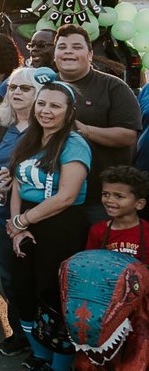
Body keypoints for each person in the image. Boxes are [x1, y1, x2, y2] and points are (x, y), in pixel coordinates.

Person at [4, 80, 91, 371]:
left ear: (69, 112)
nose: (46, 110)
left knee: (53, 299)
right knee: (25, 292)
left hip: (60, 226)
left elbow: (67, 196)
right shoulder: (31, 139)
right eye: (42, 103)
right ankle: (41, 359)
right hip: (26, 221)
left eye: (55, 105)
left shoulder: (75, 144)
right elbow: (17, 182)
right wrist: (16, 227)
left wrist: (22, 221)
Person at [0, 65, 54, 358]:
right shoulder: (2, 128)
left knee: (39, 282)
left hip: (39, 218)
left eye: (25, 88)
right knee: (10, 278)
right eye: (13, 87)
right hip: (2, 217)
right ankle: (20, 333)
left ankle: (47, 341)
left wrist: (20, 180)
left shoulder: (49, 131)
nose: (16, 92)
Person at [53, 24, 140, 223]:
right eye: (62, 47)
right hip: (52, 196)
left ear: (90, 54)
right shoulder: (45, 86)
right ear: (55, 54)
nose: (68, 51)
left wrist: (84, 130)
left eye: (76, 47)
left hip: (99, 198)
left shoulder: (113, 87)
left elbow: (128, 136)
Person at [86, 166, 149, 263]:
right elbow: (90, 263)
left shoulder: (147, 232)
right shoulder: (97, 231)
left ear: (139, 204)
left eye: (119, 196)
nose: (109, 200)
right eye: (105, 194)